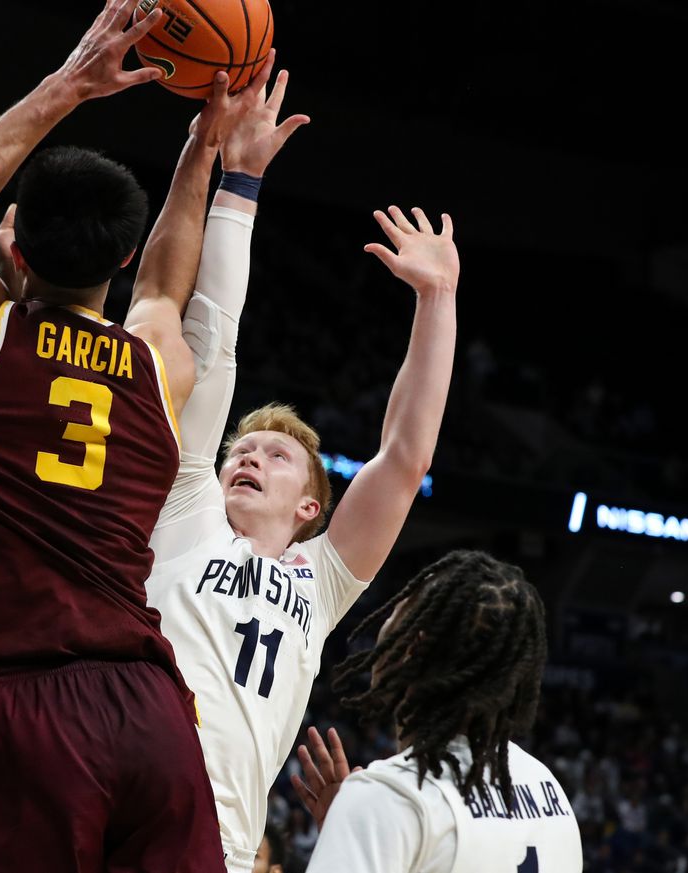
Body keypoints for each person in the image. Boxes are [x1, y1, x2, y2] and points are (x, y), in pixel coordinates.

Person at [0, 0, 240, 868]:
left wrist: (70, 83)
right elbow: (169, 287)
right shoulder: (154, 365)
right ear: (118, 260)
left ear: (12, 253)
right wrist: (205, 142)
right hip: (153, 710)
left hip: (28, 708)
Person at [140, 73, 459, 868]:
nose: (245, 454)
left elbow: (405, 457)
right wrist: (238, 186)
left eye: (274, 454)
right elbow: (214, 345)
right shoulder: (184, 512)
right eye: (238, 451)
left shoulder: (319, 585)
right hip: (119, 815)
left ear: (311, 506)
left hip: (222, 845)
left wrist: (438, 300)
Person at [299, 550, 582, 873]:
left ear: (412, 647)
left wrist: (359, 826)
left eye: (399, 609)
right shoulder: (547, 788)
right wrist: (350, 838)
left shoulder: (388, 797)